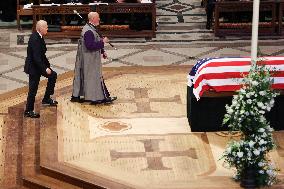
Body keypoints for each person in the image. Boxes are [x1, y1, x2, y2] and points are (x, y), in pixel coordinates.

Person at [71, 12, 117, 105]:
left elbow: (95, 41)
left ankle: (103, 96)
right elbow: (90, 46)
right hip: (89, 59)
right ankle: (97, 98)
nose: (99, 19)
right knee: (93, 78)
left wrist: (102, 51)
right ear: (92, 19)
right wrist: (103, 42)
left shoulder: (91, 28)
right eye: (98, 18)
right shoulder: (88, 31)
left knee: (95, 78)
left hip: (91, 58)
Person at [24, 20, 58, 118]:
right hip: (34, 68)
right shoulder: (35, 38)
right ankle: (28, 111)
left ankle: (46, 98)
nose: (47, 29)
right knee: (33, 90)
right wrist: (45, 68)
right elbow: (36, 58)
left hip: (39, 66)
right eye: (46, 27)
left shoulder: (40, 36)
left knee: (53, 75)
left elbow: (41, 55)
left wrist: (47, 66)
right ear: (40, 28)